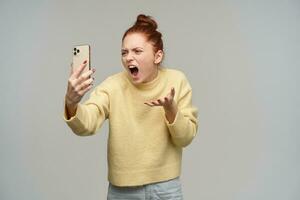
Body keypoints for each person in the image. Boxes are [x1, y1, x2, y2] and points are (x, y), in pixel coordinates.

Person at [64, 14, 198, 200]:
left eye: (137, 51)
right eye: (124, 52)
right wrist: (71, 103)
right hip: (123, 191)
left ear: (157, 56)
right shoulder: (112, 86)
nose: (129, 58)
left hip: (166, 187)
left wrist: (171, 110)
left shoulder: (176, 81)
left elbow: (185, 138)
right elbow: (87, 124)